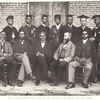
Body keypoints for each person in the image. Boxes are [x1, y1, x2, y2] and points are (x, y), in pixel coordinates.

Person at [90, 15, 100, 83]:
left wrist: (94, 39)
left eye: (97, 19)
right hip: (95, 48)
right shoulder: (93, 29)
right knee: (95, 62)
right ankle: (95, 77)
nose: (95, 21)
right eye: (94, 20)